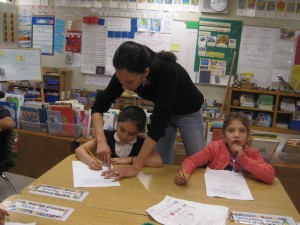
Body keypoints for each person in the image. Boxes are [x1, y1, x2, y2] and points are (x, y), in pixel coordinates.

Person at [91, 41, 205, 180]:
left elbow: (157, 125)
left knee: (199, 161)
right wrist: (101, 140)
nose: (124, 86)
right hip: (164, 113)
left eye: (129, 82)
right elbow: (98, 107)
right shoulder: (125, 74)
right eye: (120, 80)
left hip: (188, 112)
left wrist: (134, 168)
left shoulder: (167, 70)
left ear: (146, 72)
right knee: (160, 163)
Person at [175, 111, 275, 185]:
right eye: (231, 130)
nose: (236, 135)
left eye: (242, 131)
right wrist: (184, 172)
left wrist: (244, 159)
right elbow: (192, 160)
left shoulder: (252, 153)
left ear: (248, 135)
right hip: (213, 192)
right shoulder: (215, 148)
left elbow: (270, 176)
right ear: (223, 134)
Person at [76, 106, 162, 169]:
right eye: (122, 130)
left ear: (139, 132)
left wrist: (128, 160)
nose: (125, 136)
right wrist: (90, 161)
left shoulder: (142, 143)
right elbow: (79, 150)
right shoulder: (105, 137)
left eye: (131, 134)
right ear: (117, 123)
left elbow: (158, 161)